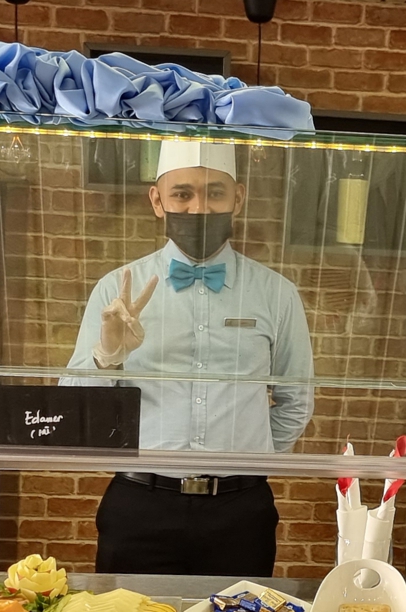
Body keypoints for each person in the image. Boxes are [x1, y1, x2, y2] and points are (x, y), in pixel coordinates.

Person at [65, 141, 315, 576]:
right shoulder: (115, 289)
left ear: (238, 197)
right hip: (139, 507)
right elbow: (75, 406)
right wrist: (107, 356)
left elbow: (296, 399)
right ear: (157, 201)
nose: (199, 208)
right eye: (182, 194)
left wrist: (248, 462)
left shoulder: (277, 293)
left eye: (215, 193)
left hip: (240, 514)